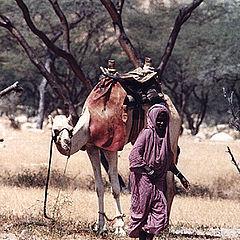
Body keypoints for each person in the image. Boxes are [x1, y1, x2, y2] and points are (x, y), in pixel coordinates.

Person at [129, 103, 190, 240]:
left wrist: (181, 177)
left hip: (158, 182)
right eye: (159, 119)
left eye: (164, 119)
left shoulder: (165, 139)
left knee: (159, 212)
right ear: (152, 119)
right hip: (143, 181)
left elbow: (168, 162)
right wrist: (148, 170)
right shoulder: (146, 134)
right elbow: (134, 156)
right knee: (143, 213)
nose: (161, 123)